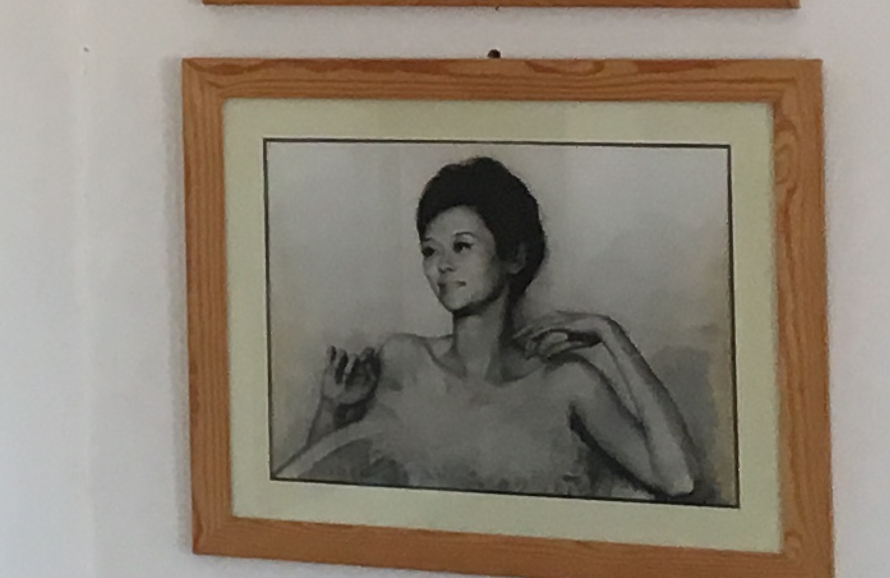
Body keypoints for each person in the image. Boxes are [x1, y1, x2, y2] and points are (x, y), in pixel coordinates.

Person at [281, 156, 702, 499]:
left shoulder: (567, 383)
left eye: (462, 246)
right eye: (430, 251)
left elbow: (679, 480)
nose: (442, 266)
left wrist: (610, 334)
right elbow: (313, 490)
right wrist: (332, 410)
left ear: (514, 257)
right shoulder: (402, 359)